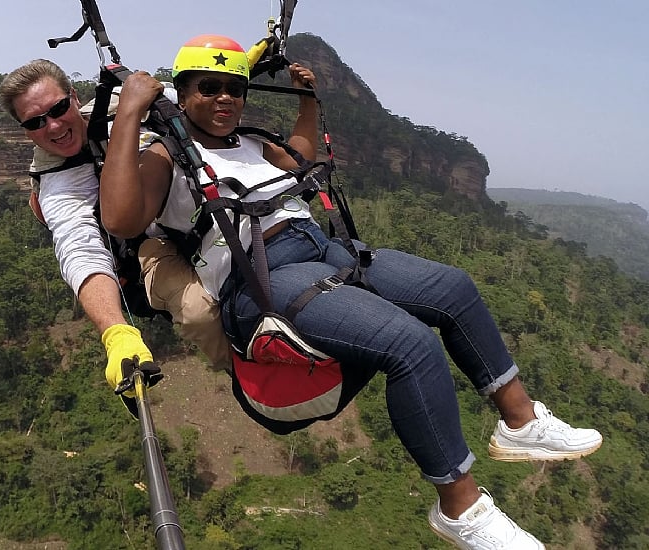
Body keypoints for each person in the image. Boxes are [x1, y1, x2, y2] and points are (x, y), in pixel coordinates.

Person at [98, 35, 603, 549]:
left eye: (235, 88)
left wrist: (309, 99)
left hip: (320, 246)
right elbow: (120, 218)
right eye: (210, 88)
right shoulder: (165, 155)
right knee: (410, 344)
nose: (225, 99)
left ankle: (519, 422)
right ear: (183, 94)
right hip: (256, 279)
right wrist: (131, 117)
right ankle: (460, 506)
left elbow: (298, 160)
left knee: (453, 288)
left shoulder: (249, 140)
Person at [0, 59, 232, 401]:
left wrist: (239, 71)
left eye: (59, 108)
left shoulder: (119, 105)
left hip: (207, 209)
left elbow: (189, 98)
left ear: (74, 97)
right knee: (203, 315)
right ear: (25, 130)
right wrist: (116, 332)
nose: (53, 126)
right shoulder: (58, 185)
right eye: (35, 122)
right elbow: (80, 251)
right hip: (156, 251)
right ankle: (253, 376)